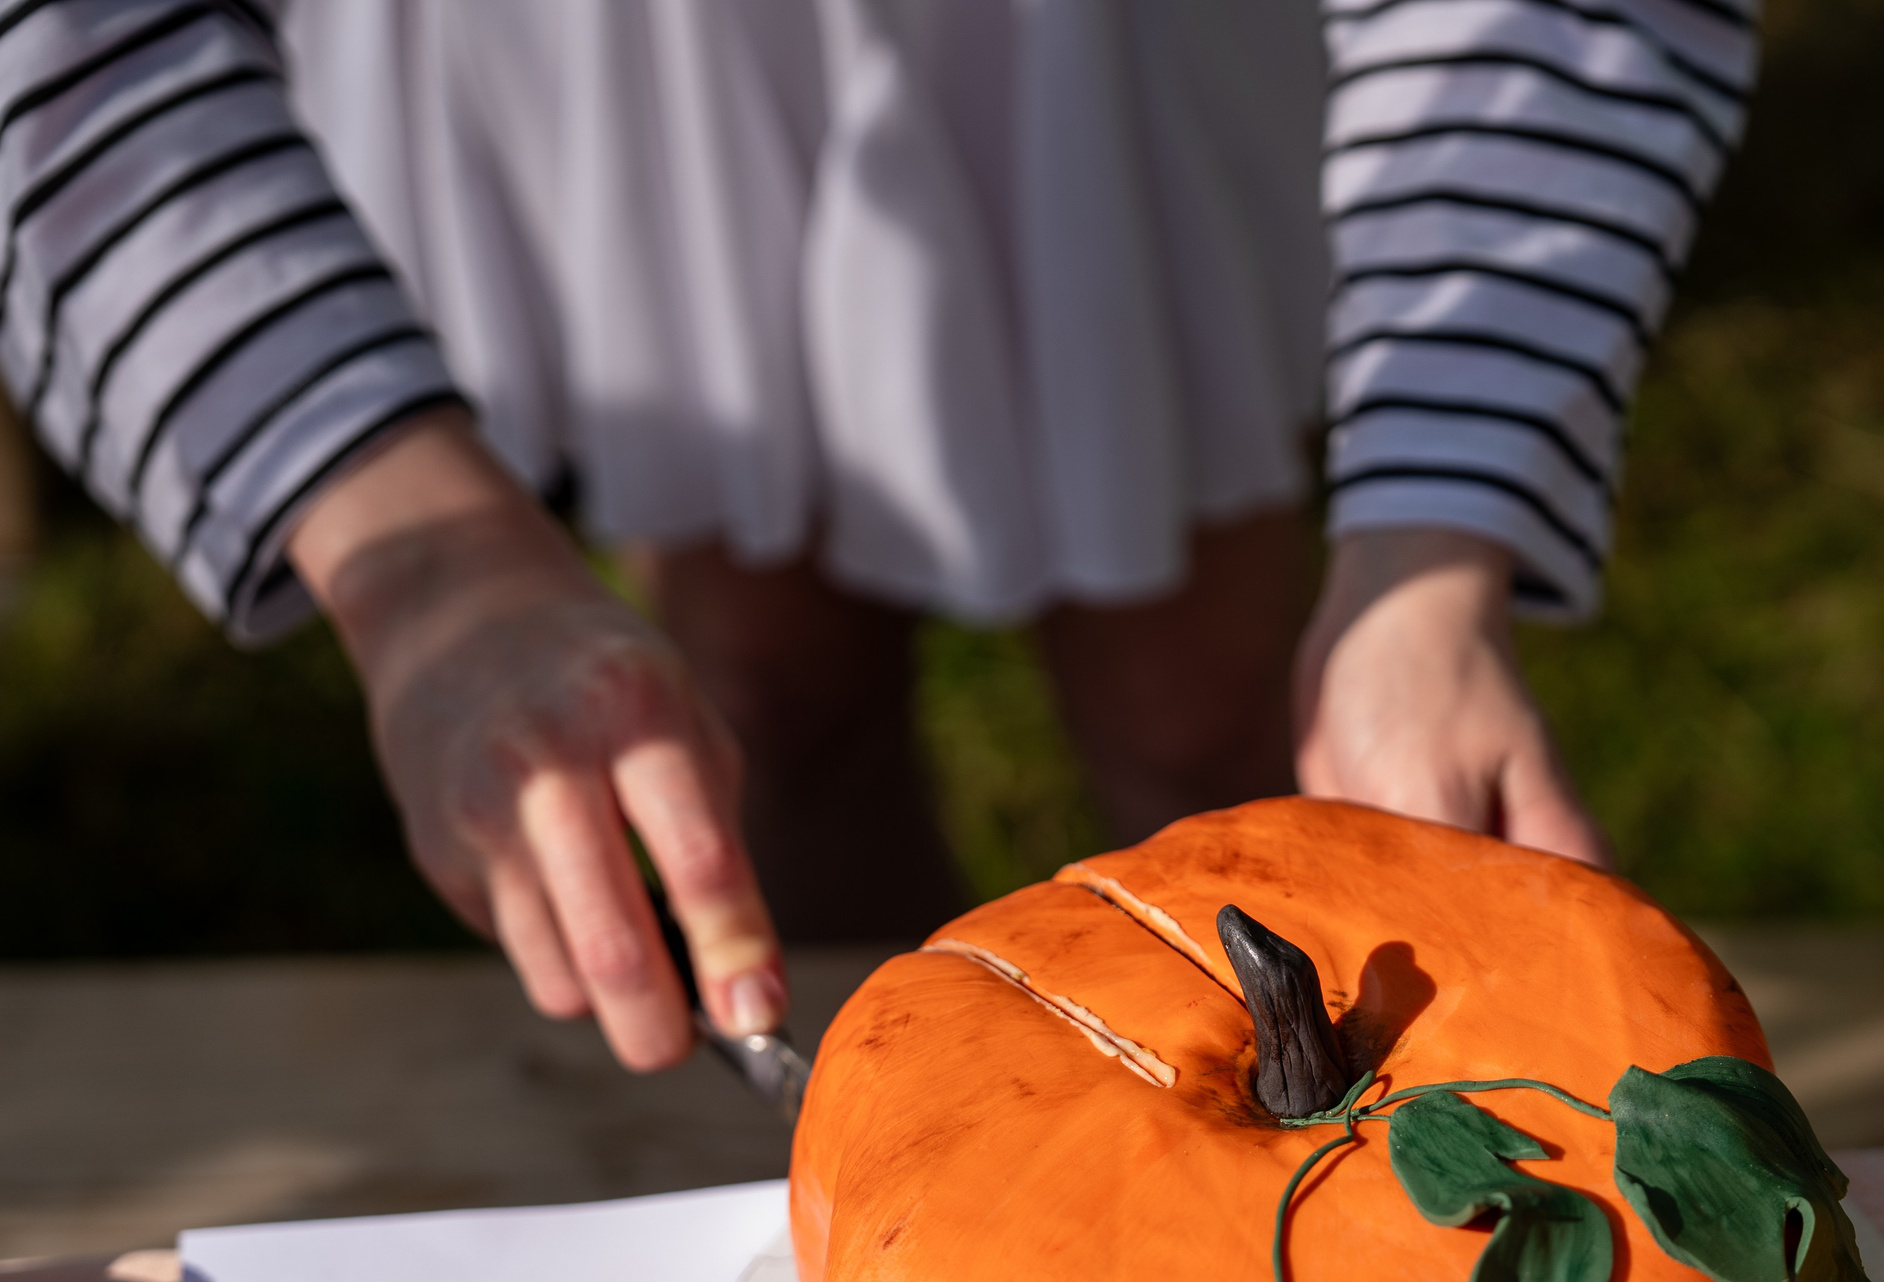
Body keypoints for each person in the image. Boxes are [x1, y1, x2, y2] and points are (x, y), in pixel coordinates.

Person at [0, 0, 1753, 1070]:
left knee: (1203, 694)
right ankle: (934, 1125)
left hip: (1095, 44)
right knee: (765, 678)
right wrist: (421, 551)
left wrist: (1426, 551)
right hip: (634, 59)